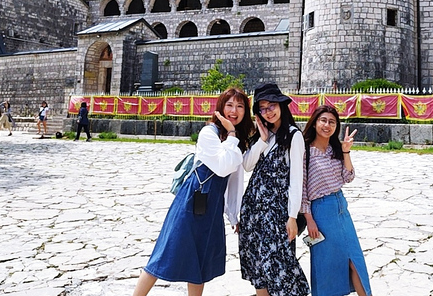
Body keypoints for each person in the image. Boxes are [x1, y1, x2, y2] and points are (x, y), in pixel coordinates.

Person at [132, 87, 254, 296]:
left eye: (240, 106)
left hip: (212, 206)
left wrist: (234, 214)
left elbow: (235, 180)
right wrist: (232, 135)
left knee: (200, 262)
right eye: (230, 105)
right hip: (192, 201)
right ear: (220, 108)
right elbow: (223, 166)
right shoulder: (209, 133)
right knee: (165, 253)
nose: (234, 111)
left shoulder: (237, 140)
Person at [239, 82, 310, 296]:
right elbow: (246, 165)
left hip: (276, 215)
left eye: (272, 106)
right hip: (253, 214)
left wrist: (292, 217)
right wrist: (261, 140)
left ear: (281, 105)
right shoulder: (265, 136)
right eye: (263, 108)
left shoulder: (293, 136)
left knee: (281, 268)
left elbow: (297, 179)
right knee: (258, 268)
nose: (268, 112)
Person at [301, 105, 372, 296]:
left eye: (332, 122)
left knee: (354, 260)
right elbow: (302, 188)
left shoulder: (335, 149)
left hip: (341, 206)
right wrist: (309, 219)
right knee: (326, 263)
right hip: (321, 212)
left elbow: (348, 177)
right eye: (323, 120)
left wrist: (346, 151)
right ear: (315, 122)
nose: (327, 125)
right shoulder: (305, 151)